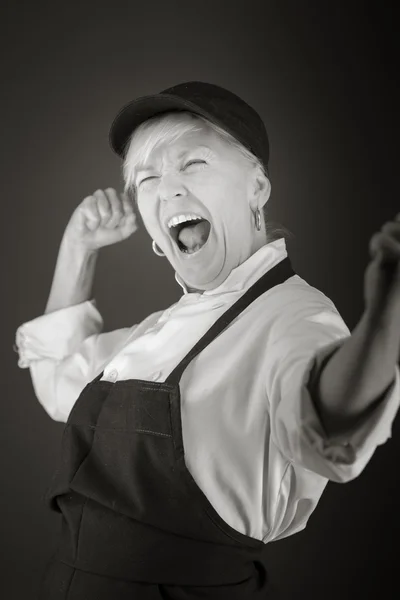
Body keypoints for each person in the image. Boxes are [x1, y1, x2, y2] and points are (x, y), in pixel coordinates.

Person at [15, 81, 400, 599]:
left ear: (257, 188)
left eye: (193, 163)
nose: (167, 188)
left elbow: (329, 420)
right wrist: (78, 248)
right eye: (147, 177)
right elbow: (58, 383)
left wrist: (384, 321)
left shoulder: (294, 316)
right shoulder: (159, 328)